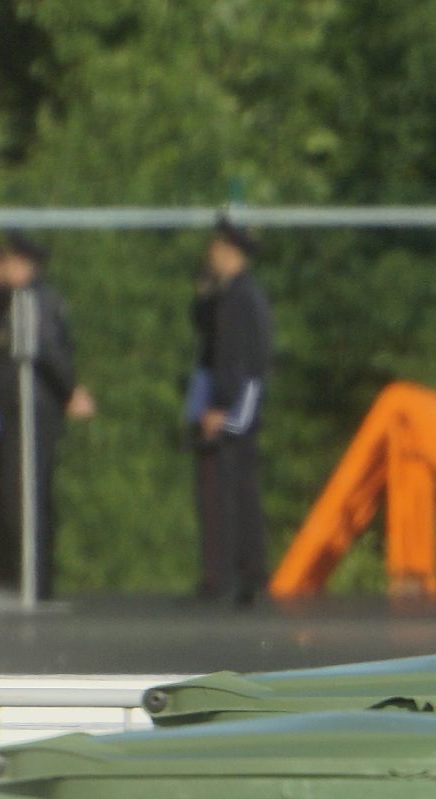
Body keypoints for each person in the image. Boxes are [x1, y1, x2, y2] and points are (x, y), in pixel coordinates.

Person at [0, 231, 95, 600]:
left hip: (34, 410)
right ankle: (20, 577)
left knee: (26, 495)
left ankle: (36, 581)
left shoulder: (37, 300)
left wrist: (70, 392)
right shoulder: (11, 299)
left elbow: (49, 351)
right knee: (12, 495)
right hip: (14, 410)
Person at [189, 215, 273, 605]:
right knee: (220, 495)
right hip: (221, 408)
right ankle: (224, 576)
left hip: (235, 412)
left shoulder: (245, 299)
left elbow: (253, 366)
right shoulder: (225, 297)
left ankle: (247, 578)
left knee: (237, 496)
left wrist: (231, 415)